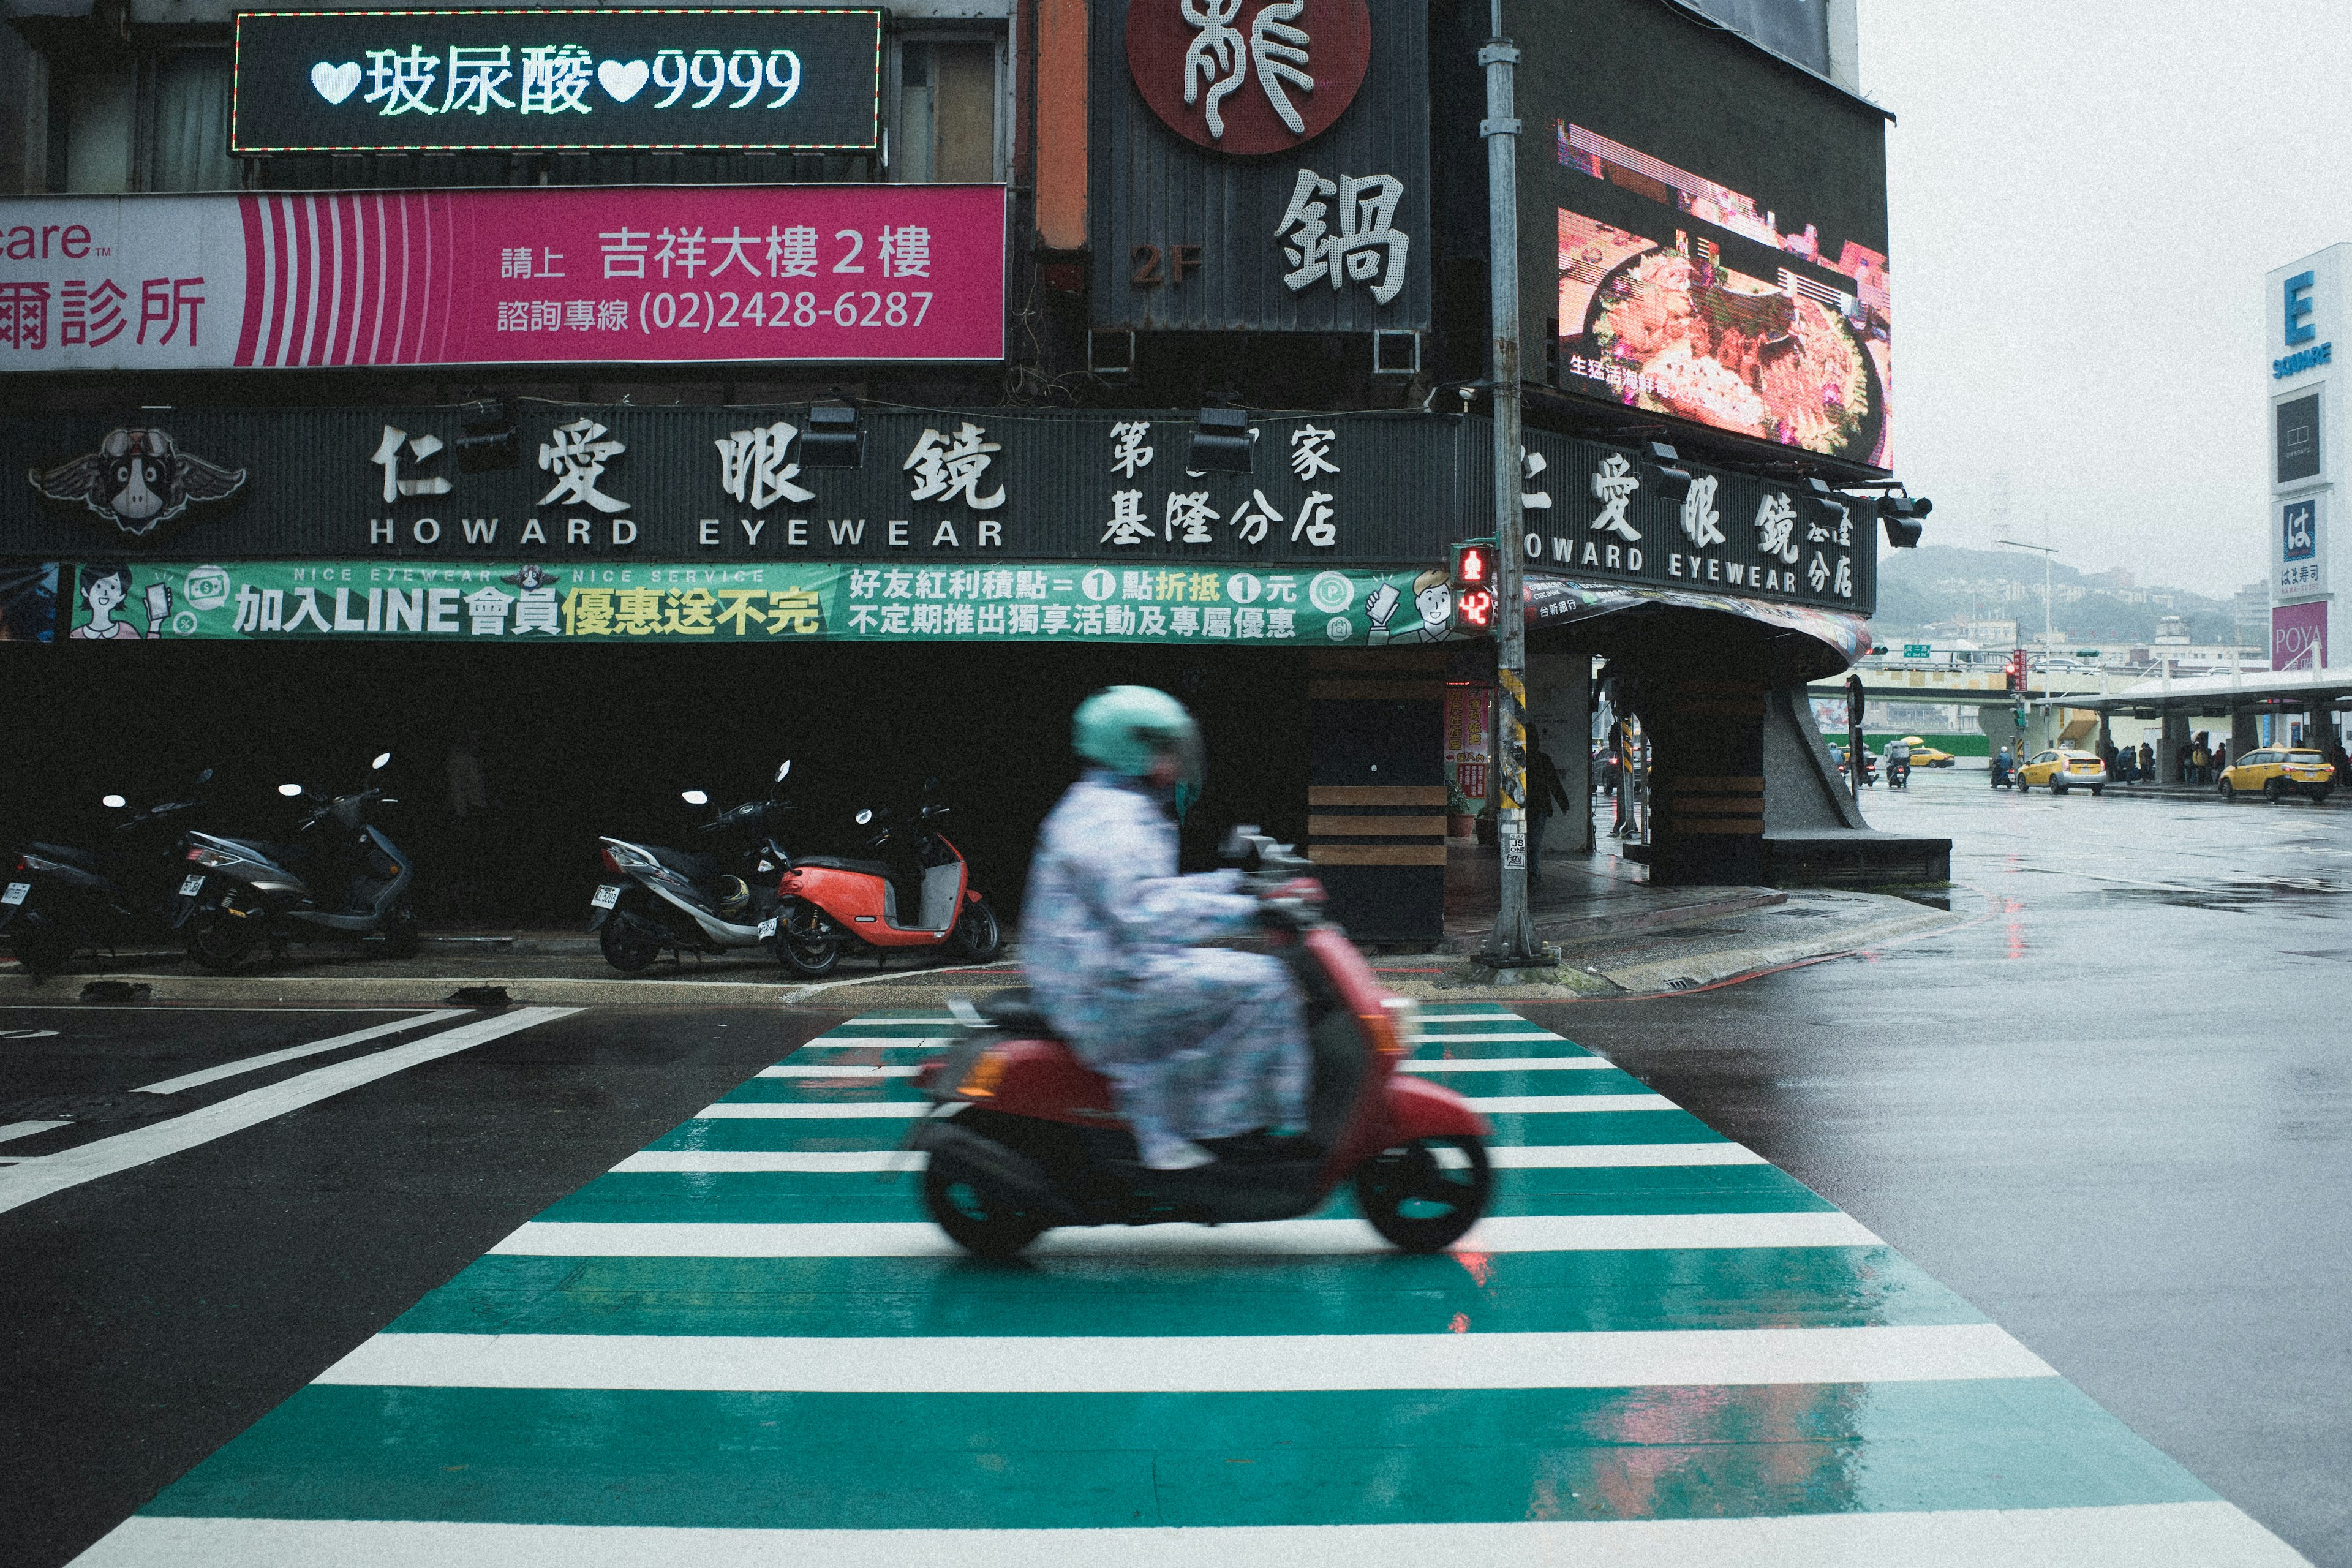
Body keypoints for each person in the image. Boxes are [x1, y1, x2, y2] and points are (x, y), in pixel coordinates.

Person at [1020, 687, 1310, 1171]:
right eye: (1168, 750)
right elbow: (1143, 913)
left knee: (1248, 982)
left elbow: (1150, 894)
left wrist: (1238, 887)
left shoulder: (1112, 804)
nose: (1176, 762)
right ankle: (1222, 1130)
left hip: (1113, 971)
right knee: (1268, 986)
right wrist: (1249, 912)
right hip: (1105, 989)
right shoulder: (1109, 820)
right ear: (1133, 749)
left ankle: (1189, 1119)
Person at [1525, 730, 1570, 886]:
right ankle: (1532, 871)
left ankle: (1531, 871)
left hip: (1531, 807)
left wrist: (1563, 802)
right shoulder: (1542, 759)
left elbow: (1553, 782)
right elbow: (1554, 782)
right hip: (1537, 806)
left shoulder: (1522, 759)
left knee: (1531, 841)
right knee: (1534, 841)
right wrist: (1563, 803)